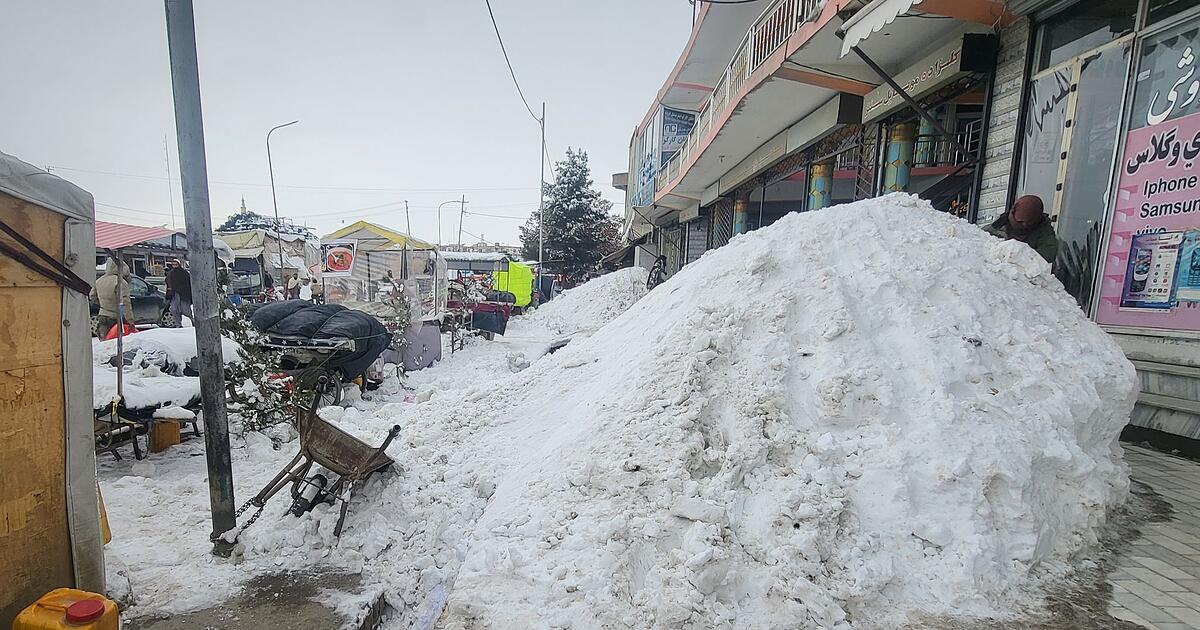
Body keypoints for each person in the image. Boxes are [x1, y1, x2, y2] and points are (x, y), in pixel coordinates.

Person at [985, 195, 1058, 264]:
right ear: (1012, 213)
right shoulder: (989, 232)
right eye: (1020, 222)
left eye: (1029, 223)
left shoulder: (1053, 247)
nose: (1024, 225)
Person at [91, 258, 135, 339]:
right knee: (116, 342)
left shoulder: (99, 281)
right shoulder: (120, 282)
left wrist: (103, 305)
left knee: (105, 342)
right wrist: (130, 321)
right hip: (116, 318)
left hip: (102, 315)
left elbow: (92, 296)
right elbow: (125, 303)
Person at [164, 259, 193, 327]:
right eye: (173, 265)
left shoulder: (184, 273)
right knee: (174, 309)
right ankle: (178, 324)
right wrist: (169, 292)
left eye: (176, 265)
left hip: (183, 295)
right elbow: (168, 283)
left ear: (179, 265)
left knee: (185, 310)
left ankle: (193, 321)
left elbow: (188, 284)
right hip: (174, 295)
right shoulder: (170, 274)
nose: (174, 266)